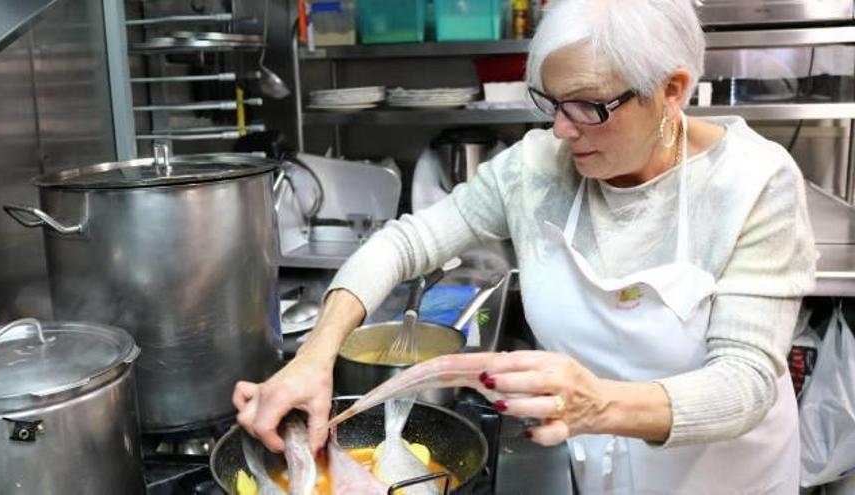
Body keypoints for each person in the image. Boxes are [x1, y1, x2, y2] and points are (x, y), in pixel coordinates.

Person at [233, 0, 817, 492]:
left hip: (724, 478)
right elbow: (407, 242)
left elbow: (745, 383)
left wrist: (599, 405)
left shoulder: (753, 182)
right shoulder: (535, 169)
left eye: (589, 105)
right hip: (594, 470)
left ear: (671, 90)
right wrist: (315, 354)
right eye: (551, 102)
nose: (562, 130)